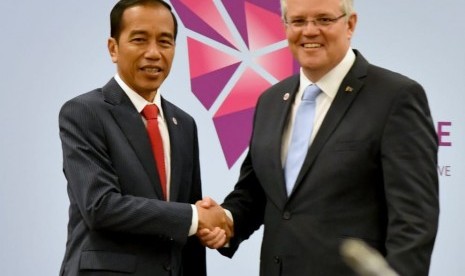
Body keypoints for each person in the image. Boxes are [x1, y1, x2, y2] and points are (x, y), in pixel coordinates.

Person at [198, 0, 439, 275]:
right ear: (286, 27)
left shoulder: (396, 97)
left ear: (350, 24)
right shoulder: (271, 100)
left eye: (324, 20)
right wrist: (226, 221)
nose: (309, 31)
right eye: (298, 22)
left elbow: (414, 220)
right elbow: (255, 193)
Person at [58, 0, 230, 275]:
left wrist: (204, 227)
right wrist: (195, 217)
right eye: (140, 40)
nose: (153, 53)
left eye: (165, 42)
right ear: (113, 48)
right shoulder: (83, 112)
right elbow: (100, 206)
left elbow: (187, 224)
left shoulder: (184, 124)